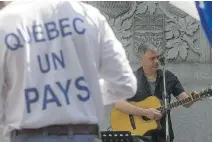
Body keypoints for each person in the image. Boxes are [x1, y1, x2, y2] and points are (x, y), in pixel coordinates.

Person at [0, 1, 137, 142]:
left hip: (27, 135)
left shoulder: (5, 21)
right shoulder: (91, 16)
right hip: (85, 135)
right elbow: (125, 84)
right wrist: (76, 97)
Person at [115, 43, 196, 142]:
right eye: (152, 58)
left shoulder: (168, 77)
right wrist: (145, 112)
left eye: (158, 57)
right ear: (141, 59)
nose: (157, 61)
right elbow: (119, 103)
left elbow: (185, 102)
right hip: (139, 136)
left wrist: (192, 99)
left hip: (163, 134)